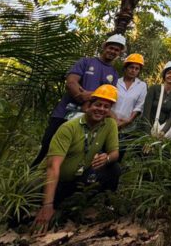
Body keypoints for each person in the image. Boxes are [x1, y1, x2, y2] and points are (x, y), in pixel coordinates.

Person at [32, 85, 120, 234]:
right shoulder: (69, 128)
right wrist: (47, 205)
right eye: (98, 104)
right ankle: (50, 206)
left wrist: (107, 157)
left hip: (78, 179)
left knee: (114, 169)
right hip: (53, 181)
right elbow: (53, 167)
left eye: (106, 107)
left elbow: (115, 153)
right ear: (88, 105)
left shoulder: (109, 124)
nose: (101, 109)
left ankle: (95, 206)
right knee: (25, 214)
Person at [31, 34, 123, 167]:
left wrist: (88, 95)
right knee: (48, 147)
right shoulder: (86, 62)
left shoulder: (113, 74)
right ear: (104, 47)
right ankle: (30, 181)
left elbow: (107, 98)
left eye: (116, 50)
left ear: (119, 53)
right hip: (64, 113)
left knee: (74, 153)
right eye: (111, 48)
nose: (113, 51)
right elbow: (71, 83)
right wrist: (83, 96)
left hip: (88, 120)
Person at [141, 60, 171, 140]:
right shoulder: (154, 89)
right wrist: (147, 137)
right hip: (148, 129)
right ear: (164, 75)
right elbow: (146, 113)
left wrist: (163, 132)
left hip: (163, 132)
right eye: (168, 73)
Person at [113, 53, 147, 132]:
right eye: (131, 67)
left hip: (128, 127)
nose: (133, 70)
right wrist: (114, 120)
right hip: (110, 122)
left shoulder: (142, 85)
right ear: (125, 68)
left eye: (136, 68)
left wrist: (128, 121)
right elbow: (108, 101)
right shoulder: (116, 82)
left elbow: (139, 106)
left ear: (139, 71)